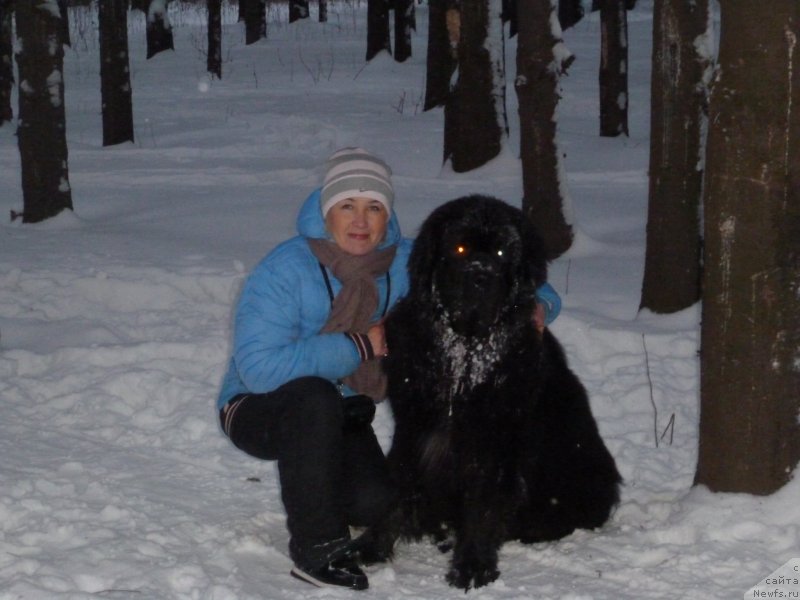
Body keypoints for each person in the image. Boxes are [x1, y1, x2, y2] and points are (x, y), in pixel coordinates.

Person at [217, 147, 562, 591]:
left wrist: (542, 304)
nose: (360, 221)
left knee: (376, 505)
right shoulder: (286, 269)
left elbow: (517, 272)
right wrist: (361, 344)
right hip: (257, 404)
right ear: (327, 213)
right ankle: (317, 549)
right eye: (347, 206)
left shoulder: (403, 259)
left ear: (387, 216)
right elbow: (260, 369)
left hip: (344, 410)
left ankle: (316, 486)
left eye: (374, 208)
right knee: (313, 399)